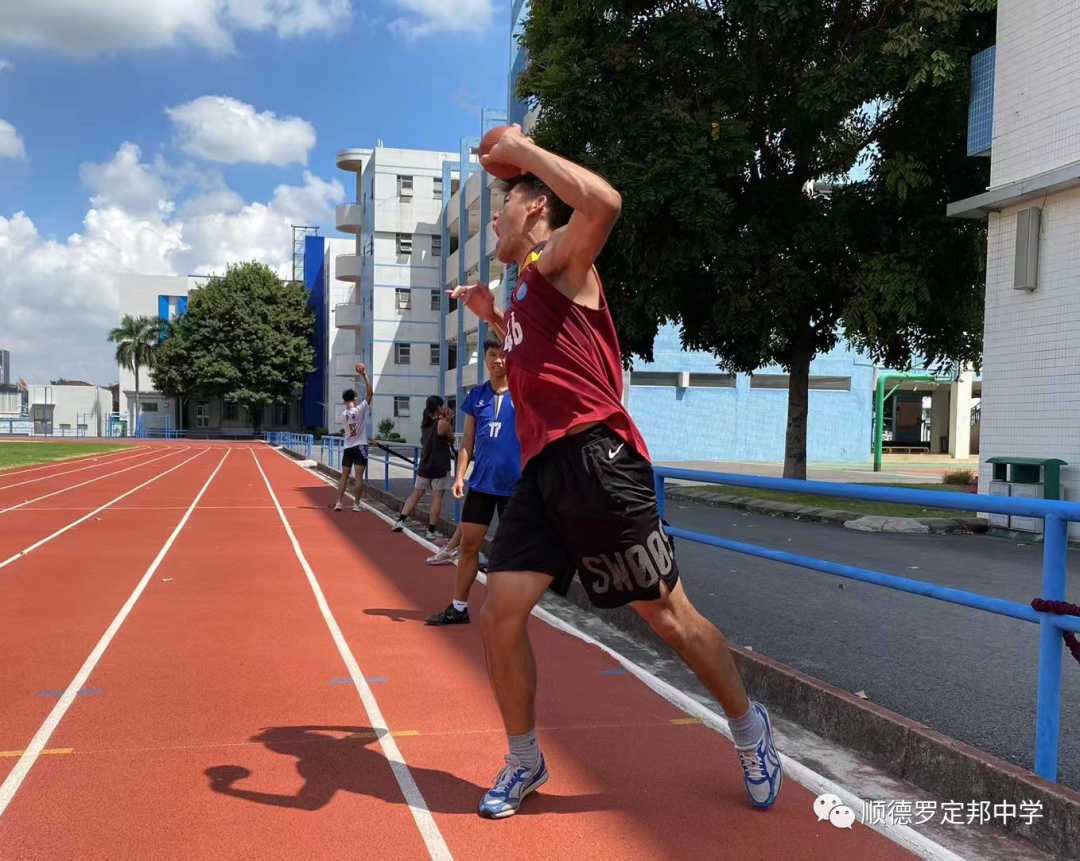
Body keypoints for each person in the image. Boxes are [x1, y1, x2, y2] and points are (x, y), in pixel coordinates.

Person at [449, 125, 782, 819]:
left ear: (536, 205)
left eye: (502, 206)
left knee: (670, 618)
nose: (495, 222)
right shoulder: (526, 289)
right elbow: (546, 358)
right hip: (543, 474)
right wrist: (494, 317)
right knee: (499, 615)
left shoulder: (561, 259)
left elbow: (605, 202)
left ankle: (749, 727)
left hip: (599, 461)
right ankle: (525, 758)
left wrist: (522, 147)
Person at [426, 332, 520, 626]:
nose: (498, 360)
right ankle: (459, 608)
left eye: (503, 355)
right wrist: (459, 477)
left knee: (509, 552)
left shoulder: (523, 395)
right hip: (480, 484)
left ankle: (508, 612)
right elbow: (467, 440)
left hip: (515, 487)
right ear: (486, 359)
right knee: (468, 546)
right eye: (492, 355)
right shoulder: (477, 396)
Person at [391, 395, 455, 542]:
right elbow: (451, 440)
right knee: (437, 498)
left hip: (425, 465)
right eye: (442, 406)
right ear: (438, 407)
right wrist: (448, 422)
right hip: (440, 465)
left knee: (415, 495)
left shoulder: (424, 424)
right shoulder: (442, 424)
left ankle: (400, 521)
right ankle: (431, 531)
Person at [330, 364, 373, 512]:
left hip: (348, 447)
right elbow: (370, 393)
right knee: (359, 477)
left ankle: (338, 503)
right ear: (355, 398)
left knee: (344, 476)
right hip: (360, 446)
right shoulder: (360, 409)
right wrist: (365, 376)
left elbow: (350, 429)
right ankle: (356, 504)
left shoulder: (343, 415)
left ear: (344, 400)